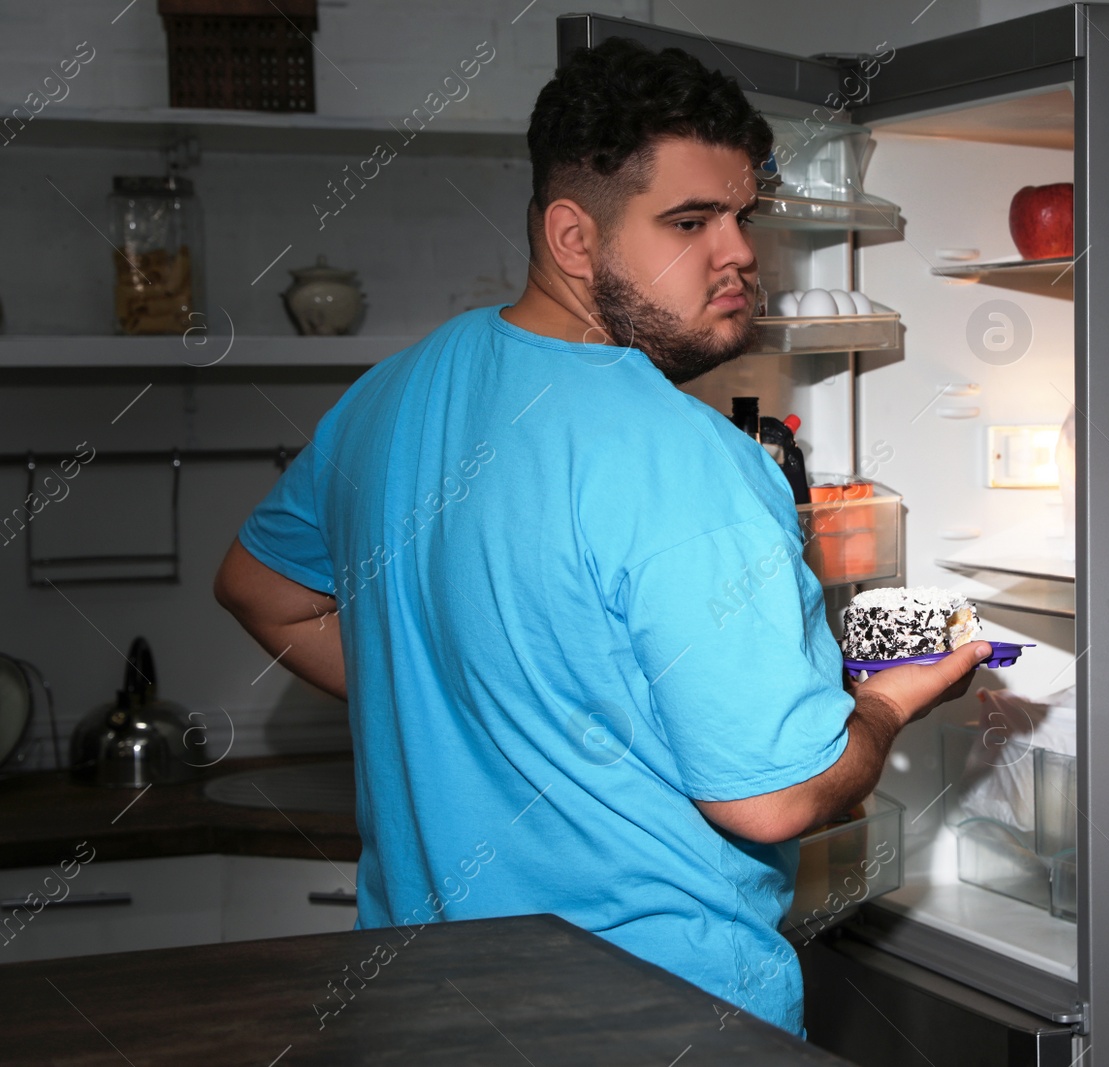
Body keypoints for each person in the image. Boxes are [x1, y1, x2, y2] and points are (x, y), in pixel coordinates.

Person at [212, 37, 989, 1038]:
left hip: (417, 1009)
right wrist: (883, 702)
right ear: (574, 238)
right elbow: (780, 799)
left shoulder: (387, 398)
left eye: (740, 214)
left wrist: (481, 691)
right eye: (688, 221)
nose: (739, 252)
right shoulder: (691, 459)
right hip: (653, 1016)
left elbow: (258, 588)